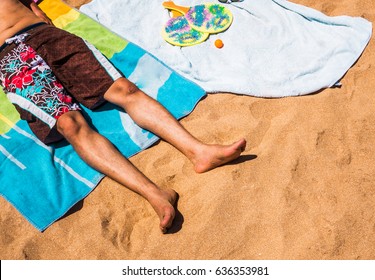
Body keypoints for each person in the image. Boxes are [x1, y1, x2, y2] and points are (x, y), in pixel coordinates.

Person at [0, 0, 246, 233]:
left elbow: (34, 8)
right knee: (70, 126)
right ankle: (155, 194)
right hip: (10, 60)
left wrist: (47, 29)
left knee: (124, 90)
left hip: (44, 35)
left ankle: (200, 152)